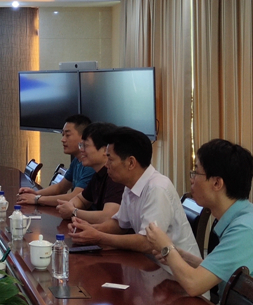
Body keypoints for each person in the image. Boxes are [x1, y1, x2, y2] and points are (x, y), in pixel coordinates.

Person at [69, 127, 200, 259]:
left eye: (110, 159)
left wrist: (99, 237)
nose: (106, 165)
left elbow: (148, 243)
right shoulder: (130, 185)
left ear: (131, 163)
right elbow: (120, 225)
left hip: (175, 268)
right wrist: (89, 229)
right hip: (149, 263)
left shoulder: (157, 188)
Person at [146, 139, 253, 297]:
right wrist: (181, 256)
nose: (192, 179)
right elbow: (222, 270)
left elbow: (194, 285)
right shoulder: (240, 218)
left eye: (196, 172)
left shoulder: (245, 230)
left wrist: (166, 247)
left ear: (217, 183)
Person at [17, 115, 95, 206]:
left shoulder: (90, 165)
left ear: (83, 137)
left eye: (67, 135)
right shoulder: (77, 161)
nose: (63, 140)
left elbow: (75, 197)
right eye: (63, 135)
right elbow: (60, 188)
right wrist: (36, 193)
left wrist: (37, 199)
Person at [56, 122, 124, 224]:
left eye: (85, 146)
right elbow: (81, 199)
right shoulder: (98, 174)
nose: (81, 150)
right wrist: (70, 206)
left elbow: (108, 217)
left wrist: (74, 212)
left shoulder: (115, 177)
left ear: (105, 150)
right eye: (81, 145)